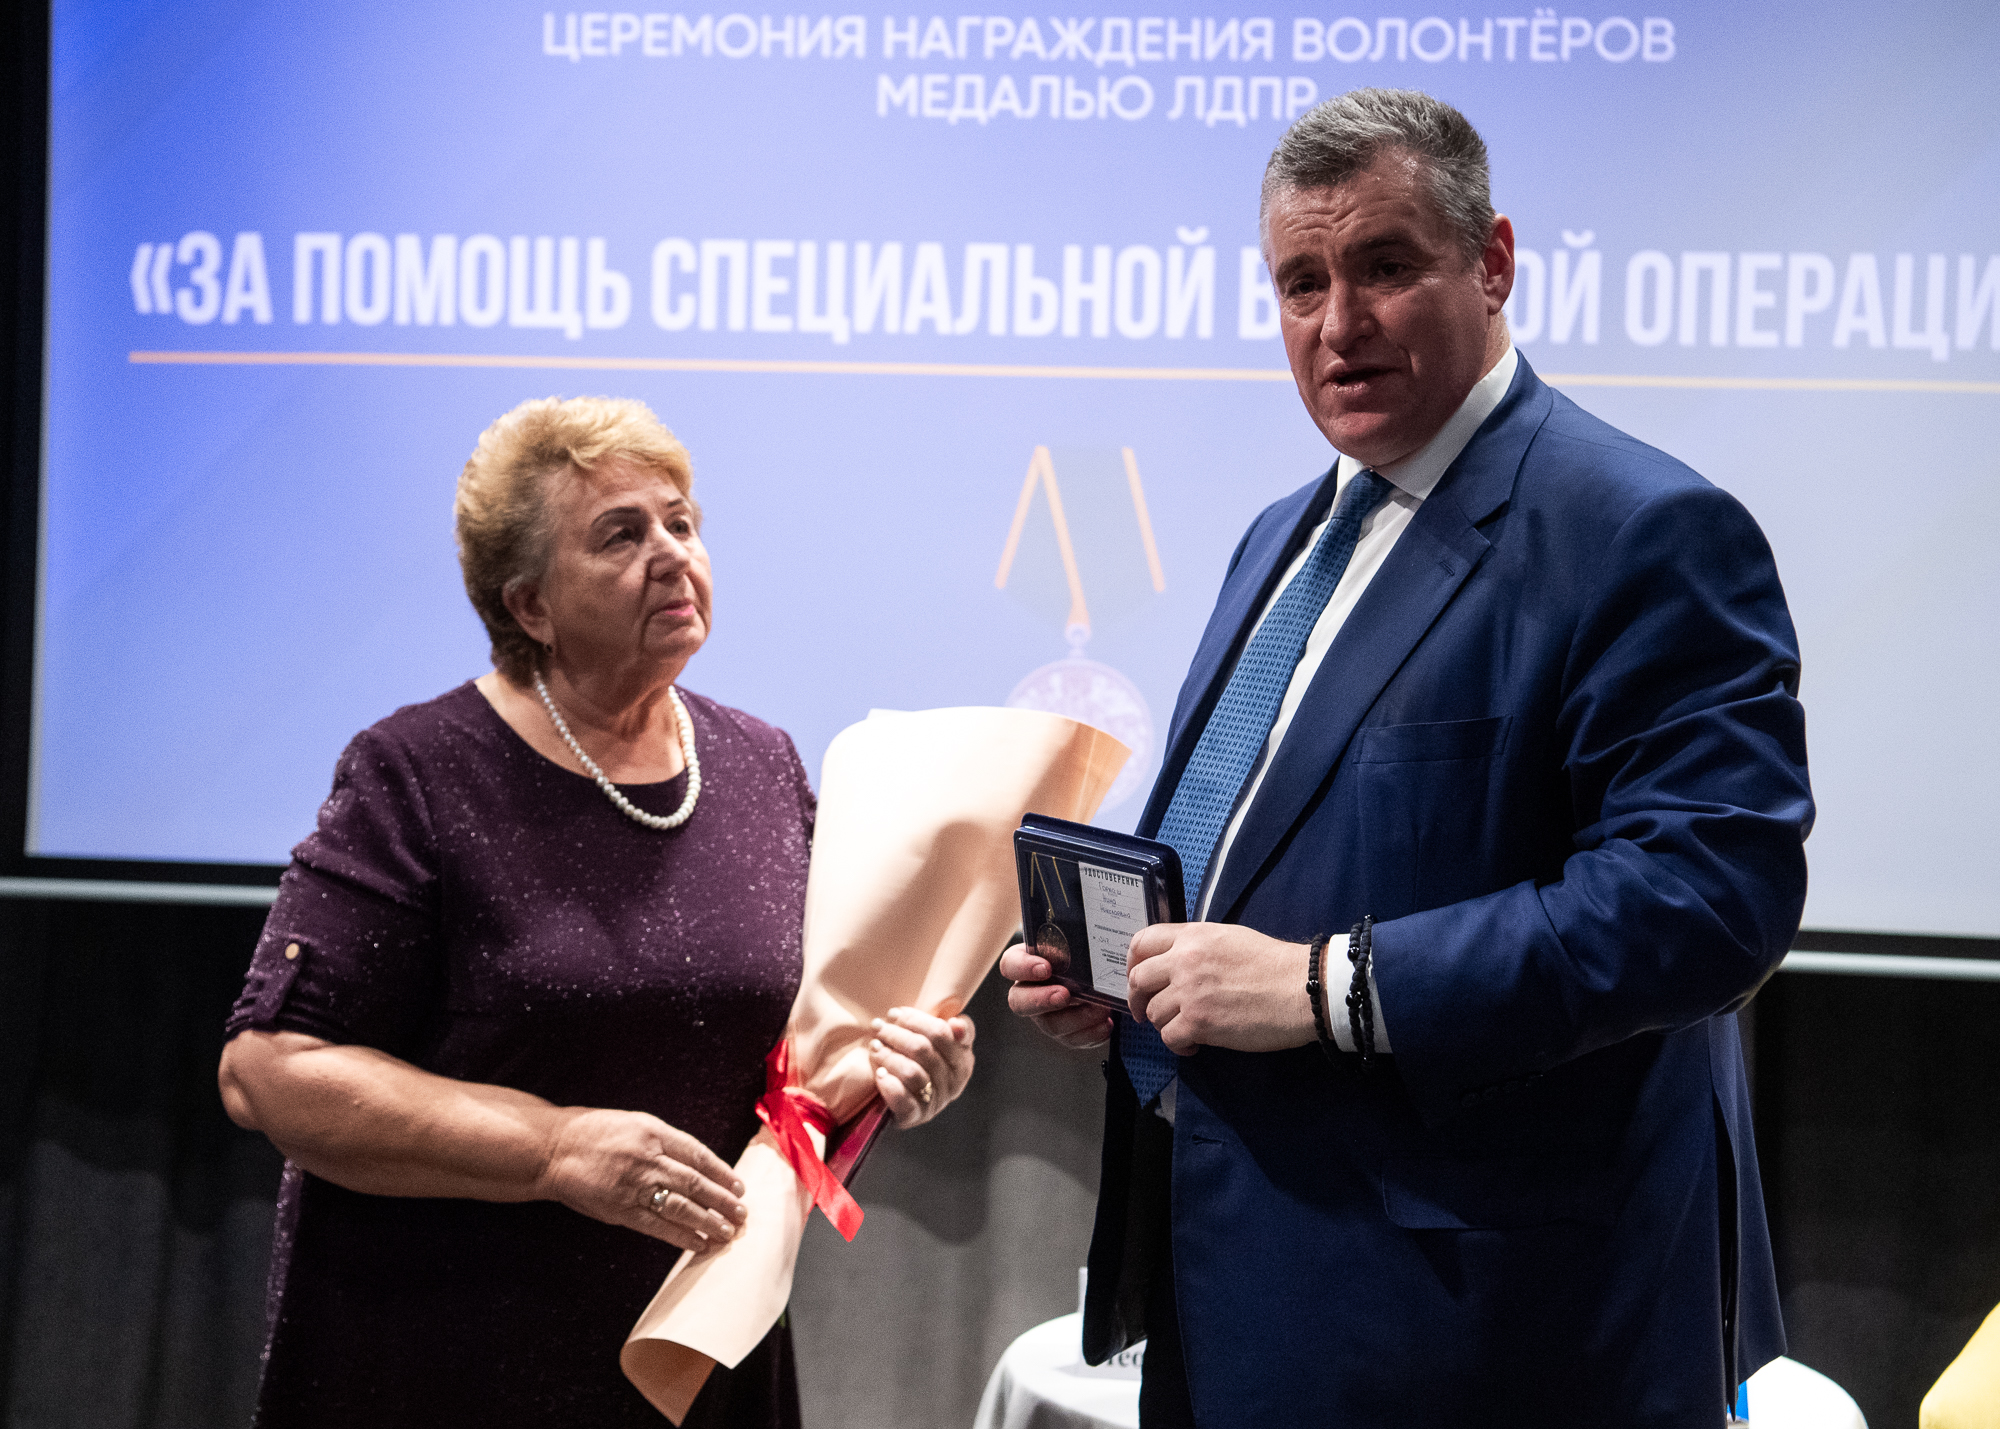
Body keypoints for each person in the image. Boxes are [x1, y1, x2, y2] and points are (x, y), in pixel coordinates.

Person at [1002, 88, 1811, 1427]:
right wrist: (1121, 976)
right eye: (1300, 282)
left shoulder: (1643, 529)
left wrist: (1326, 985)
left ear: (1491, 262)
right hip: (1237, 1284)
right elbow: (1264, 848)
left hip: (1488, 1336)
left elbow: (1707, 900)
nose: (1337, 324)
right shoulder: (1281, 535)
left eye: (1383, 266)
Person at [218, 395, 975, 1428]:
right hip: (451, 1349)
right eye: (621, 535)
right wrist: (551, 1148)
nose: (671, 554)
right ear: (529, 606)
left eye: (682, 522)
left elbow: (804, 1056)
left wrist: (895, 1072)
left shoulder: (760, 763)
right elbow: (267, 1073)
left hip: (693, 1347)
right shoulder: (418, 773)